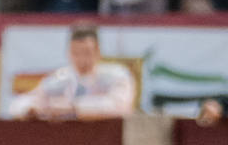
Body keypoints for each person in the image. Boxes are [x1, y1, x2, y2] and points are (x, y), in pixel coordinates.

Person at [9, 25, 137, 118]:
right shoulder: (61, 79)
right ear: (68, 52)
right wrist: (32, 110)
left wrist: (73, 107)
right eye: (76, 53)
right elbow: (18, 104)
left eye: (86, 53)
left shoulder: (116, 76)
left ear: (98, 51)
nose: (81, 59)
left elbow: (118, 106)